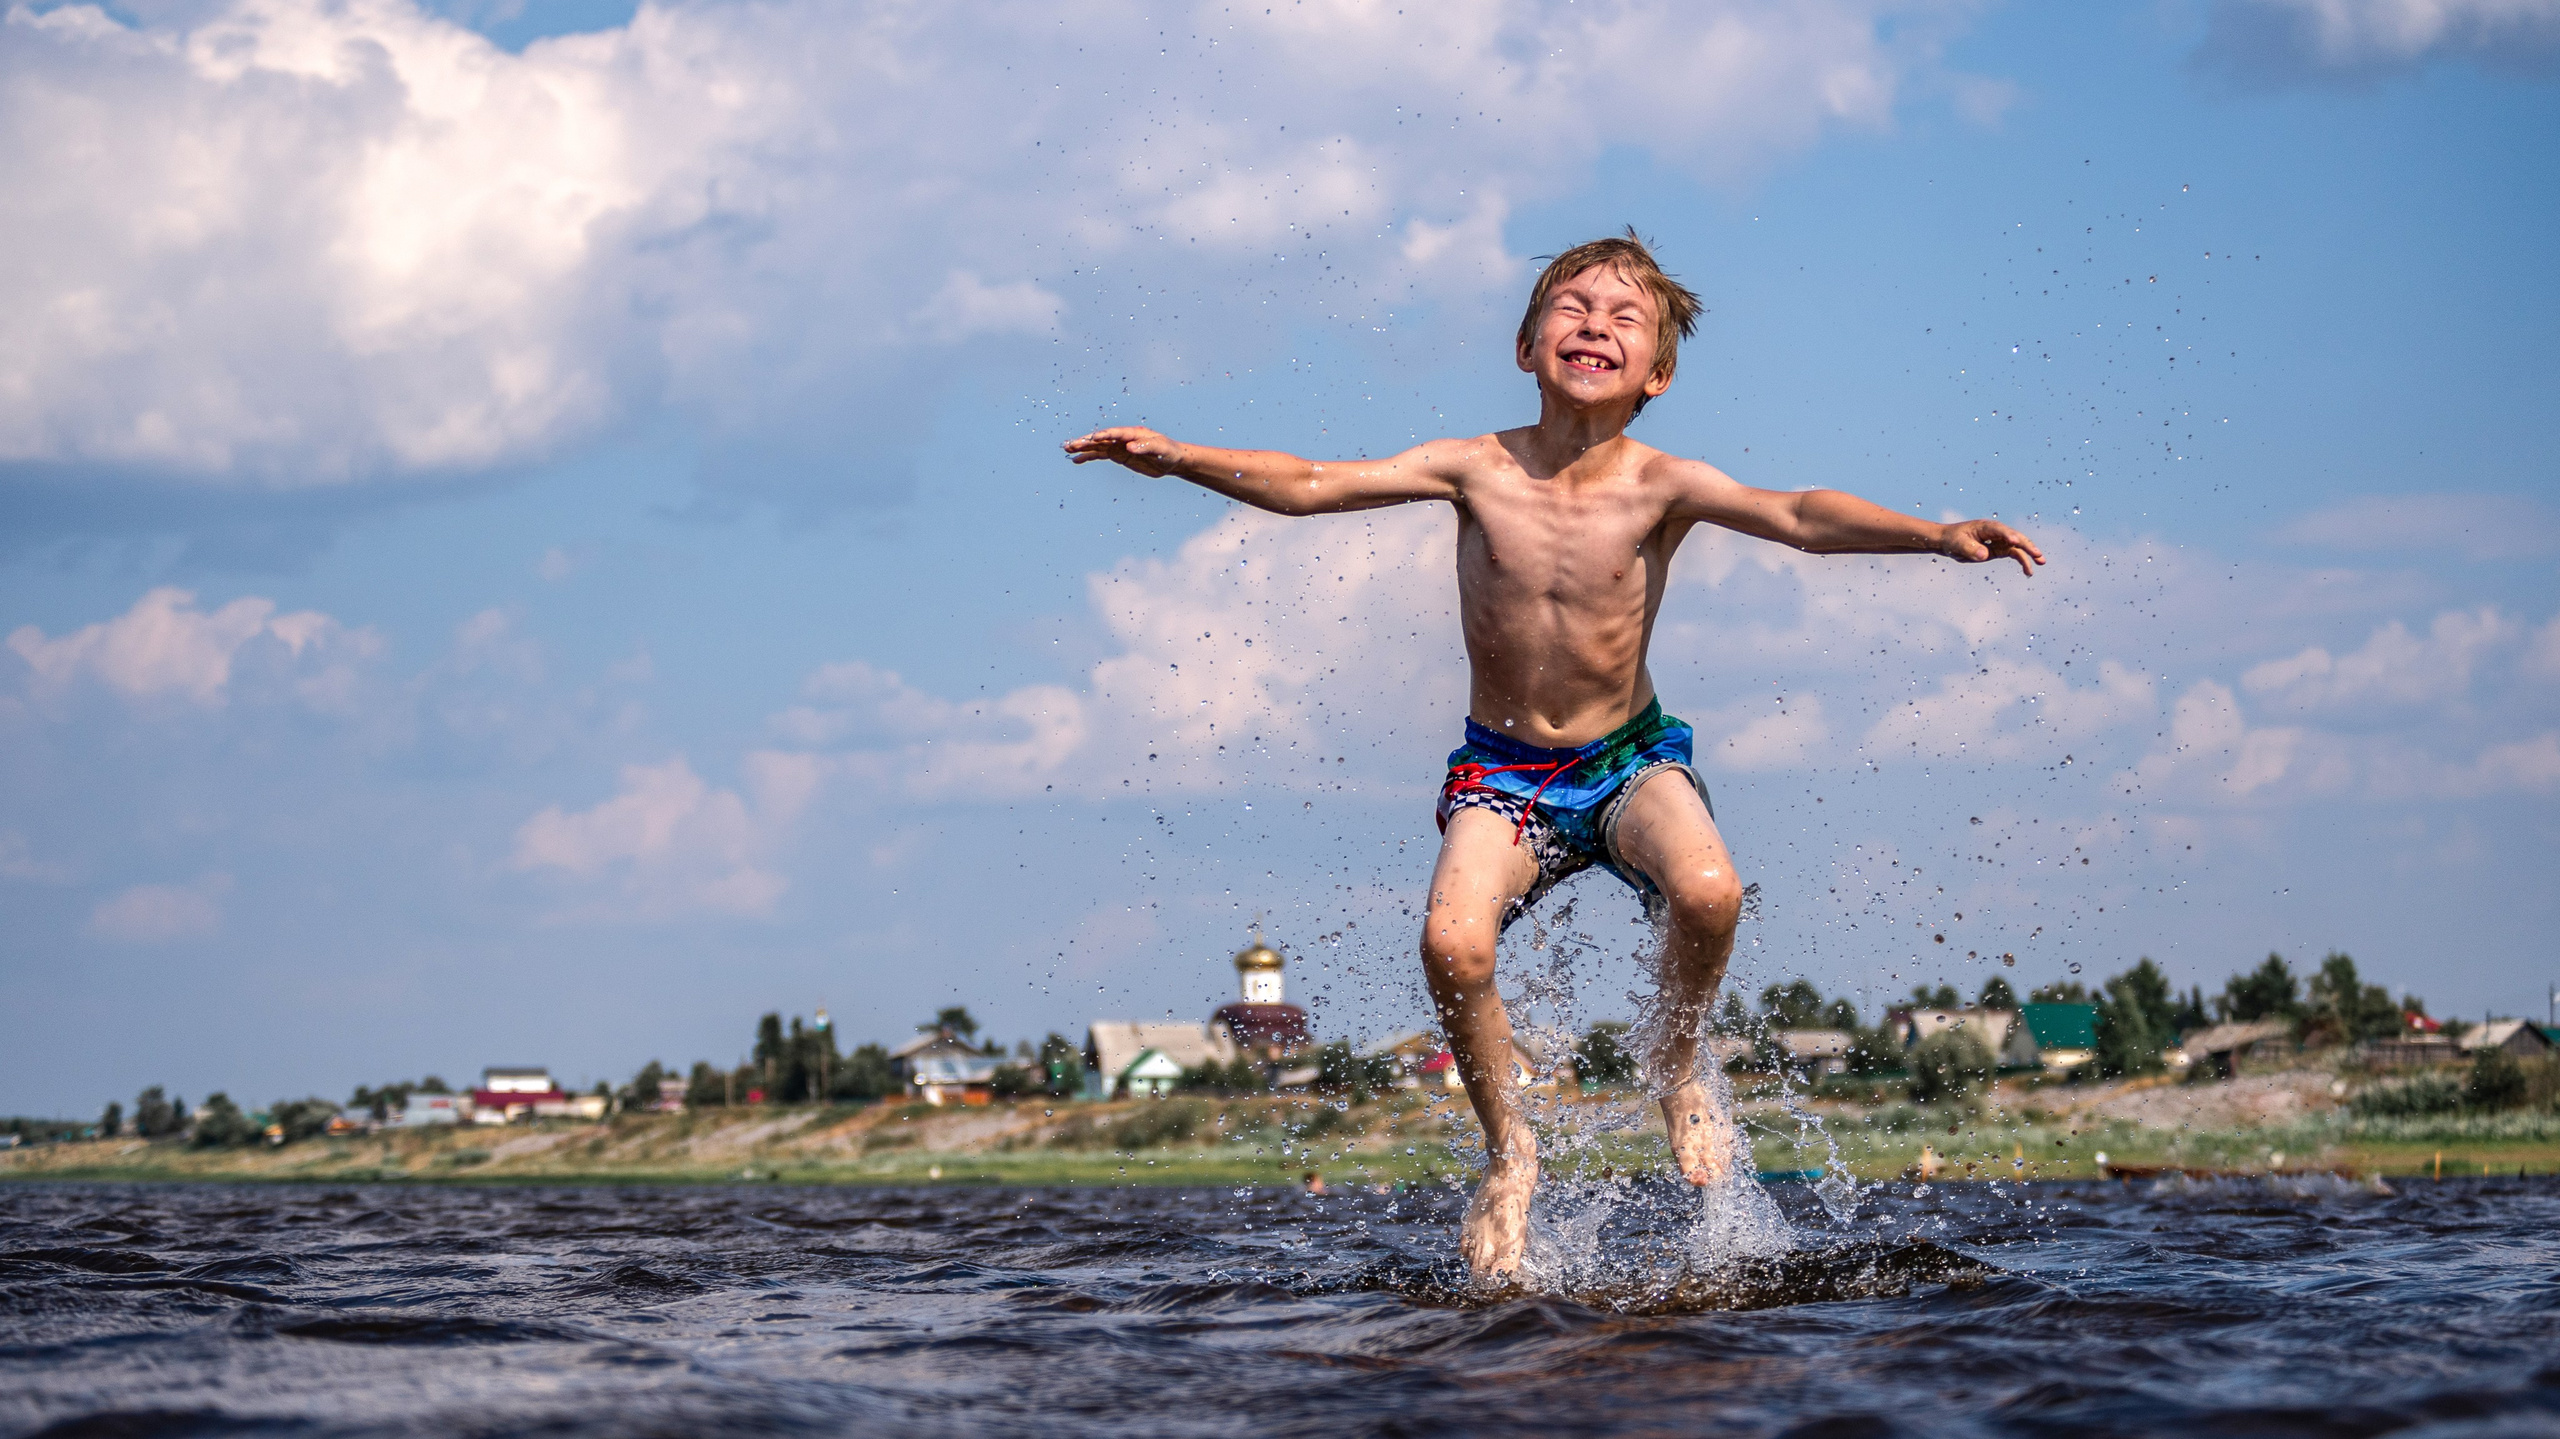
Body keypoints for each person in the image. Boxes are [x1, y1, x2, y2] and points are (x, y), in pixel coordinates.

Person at [1064, 231, 2042, 1280]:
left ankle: (1675, 1061)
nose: (1594, 324)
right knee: (1452, 944)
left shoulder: (1664, 482)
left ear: (1657, 372)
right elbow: (1308, 481)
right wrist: (1179, 458)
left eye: (1625, 318)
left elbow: (1799, 514)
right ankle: (1509, 1150)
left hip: (1629, 760)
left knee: (1710, 890)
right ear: (1526, 343)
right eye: (1572, 308)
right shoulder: (1474, 466)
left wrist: (1933, 534)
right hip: (1504, 774)